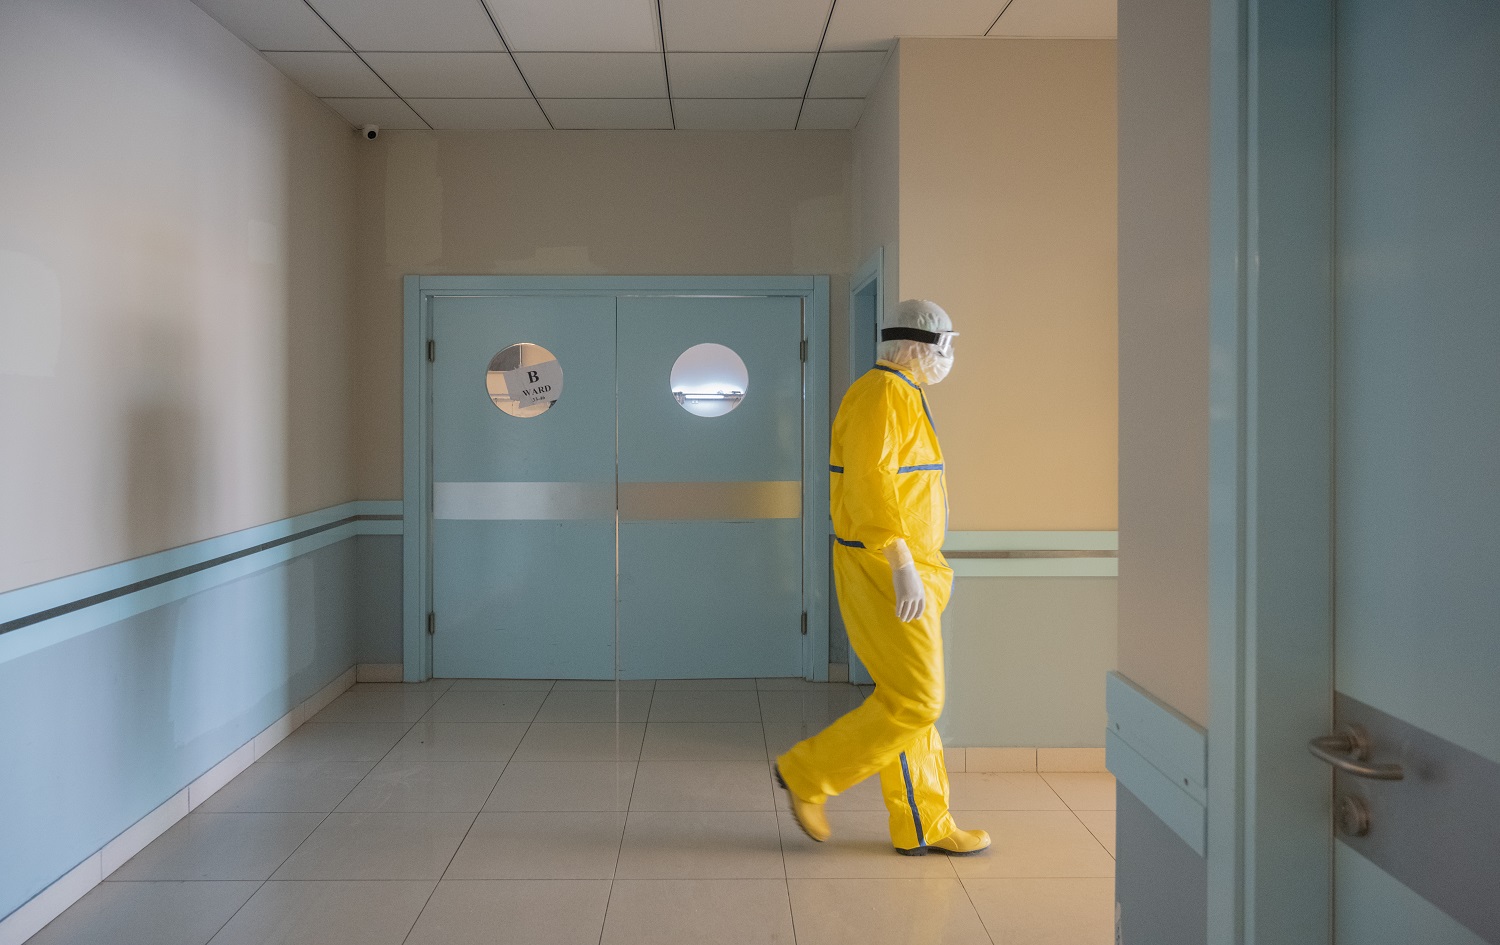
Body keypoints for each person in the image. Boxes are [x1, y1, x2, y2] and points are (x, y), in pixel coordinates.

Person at [774, 298, 990, 857]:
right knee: (919, 700)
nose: (951, 356)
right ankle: (808, 773)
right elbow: (871, 489)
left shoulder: (902, 394)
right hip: (887, 565)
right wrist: (902, 569)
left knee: (903, 699)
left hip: (910, 565)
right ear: (923, 346)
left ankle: (924, 822)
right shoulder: (882, 395)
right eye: (948, 344)